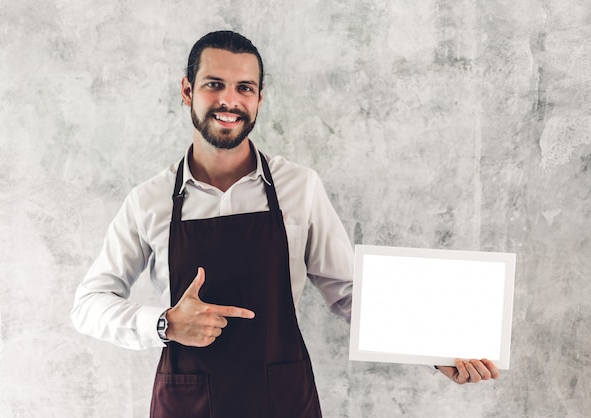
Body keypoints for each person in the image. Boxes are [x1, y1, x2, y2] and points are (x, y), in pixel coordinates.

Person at [71, 30, 499, 418]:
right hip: (188, 404)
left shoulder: (300, 187)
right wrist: (164, 323)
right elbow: (88, 304)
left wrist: (436, 350)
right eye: (214, 84)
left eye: (245, 88)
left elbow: (349, 291)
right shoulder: (148, 200)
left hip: (282, 401)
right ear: (188, 91)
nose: (229, 101)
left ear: (259, 98)